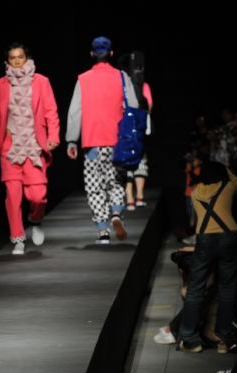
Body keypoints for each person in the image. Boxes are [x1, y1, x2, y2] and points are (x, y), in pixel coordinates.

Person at [0, 42, 60, 255]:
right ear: (7, 61)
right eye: (13, 58)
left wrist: (53, 136)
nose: (17, 61)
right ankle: (18, 238)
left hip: (34, 147)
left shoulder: (41, 82)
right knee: (13, 195)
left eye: (20, 57)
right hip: (9, 150)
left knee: (38, 196)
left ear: (27, 58)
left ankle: (35, 220)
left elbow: (51, 111)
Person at [66, 36, 139, 244]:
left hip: (92, 141)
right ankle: (116, 213)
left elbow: (75, 112)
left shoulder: (83, 79)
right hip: (117, 140)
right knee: (115, 181)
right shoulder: (122, 77)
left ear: (92, 54)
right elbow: (132, 107)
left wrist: (71, 140)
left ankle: (102, 230)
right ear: (112, 53)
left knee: (94, 185)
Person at [178, 162, 237, 352]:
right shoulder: (229, 186)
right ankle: (224, 339)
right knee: (227, 288)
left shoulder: (197, 192)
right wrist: (228, 169)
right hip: (229, 237)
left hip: (206, 239)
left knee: (195, 288)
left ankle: (190, 339)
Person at [119, 50, 153, 211]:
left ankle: (131, 199)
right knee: (139, 159)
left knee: (126, 162)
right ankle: (138, 197)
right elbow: (149, 106)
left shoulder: (122, 83)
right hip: (139, 127)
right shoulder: (143, 85)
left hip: (124, 127)